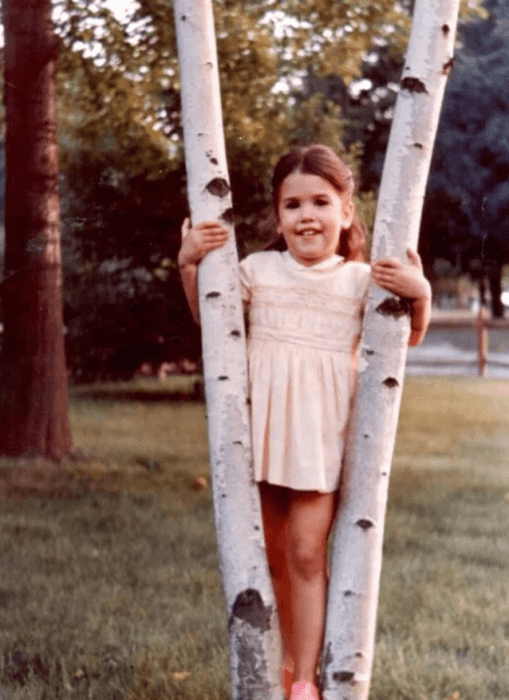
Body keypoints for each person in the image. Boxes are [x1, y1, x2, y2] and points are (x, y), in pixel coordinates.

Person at [177, 144, 431, 700]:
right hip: (262, 430)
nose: (306, 216)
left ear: (346, 213)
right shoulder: (256, 270)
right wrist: (189, 262)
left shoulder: (361, 278)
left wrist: (422, 295)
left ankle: (305, 679)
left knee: (307, 550)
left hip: (322, 436)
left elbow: (406, 338)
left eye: (321, 201)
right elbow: (211, 322)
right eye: (292, 205)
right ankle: (288, 658)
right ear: (277, 217)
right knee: (271, 554)